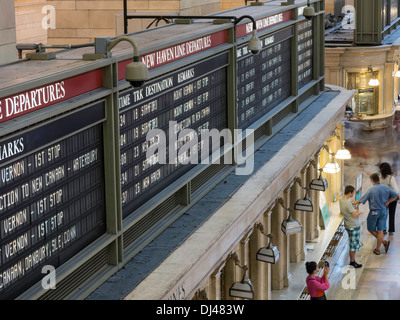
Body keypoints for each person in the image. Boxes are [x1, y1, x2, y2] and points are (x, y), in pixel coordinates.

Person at [353, 173, 398, 255]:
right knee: (380, 230)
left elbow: (362, 199)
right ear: (379, 180)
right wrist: (388, 201)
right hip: (384, 211)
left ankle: (383, 242)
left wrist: (354, 202)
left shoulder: (371, 189)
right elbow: (396, 195)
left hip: (374, 212)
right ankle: (378, 249)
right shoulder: (386, 188)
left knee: (370, 229)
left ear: (372, 181)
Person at [339, 185, 363, 268]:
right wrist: (359, 212)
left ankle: (352, 261)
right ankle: (352, 262)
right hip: (353, 225)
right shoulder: (347, 203)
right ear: (350, 193)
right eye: (353, 192)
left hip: (348, 225)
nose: (353, 193)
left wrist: (353, 211)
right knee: (354, 245)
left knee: (352, 244)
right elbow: (354, 215)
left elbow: (345, 212)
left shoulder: (342, 200)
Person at [378, 162, 399, 234]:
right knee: (391, 214)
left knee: (383, 214)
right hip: (392, 198)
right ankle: (391, 231)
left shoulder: (380, 177)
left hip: (384, 198)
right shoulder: (391, 178)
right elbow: (396, 191)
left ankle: (383, 229)